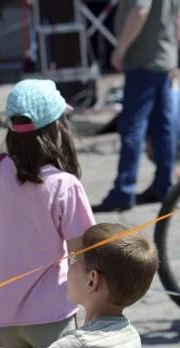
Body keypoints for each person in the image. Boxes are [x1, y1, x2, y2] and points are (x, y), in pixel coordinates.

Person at [0, 79, 95, 348]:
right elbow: (79, 253)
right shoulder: (64, 185)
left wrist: (5, 256)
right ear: (58, 128)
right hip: (53, 313)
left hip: (7, 316)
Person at [92, 0, 180, 212]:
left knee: (132, 127)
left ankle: (124, 190)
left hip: (143, 60)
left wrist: (120, 49)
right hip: (164, 57)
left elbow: (140, 9)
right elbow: (177, 17)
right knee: (163, 127)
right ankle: (163, 185)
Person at [28, 223, 158, 348]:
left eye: (72, 258)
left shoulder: (76, 346)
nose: (68, 266)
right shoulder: (131, 335)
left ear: (92, 280)